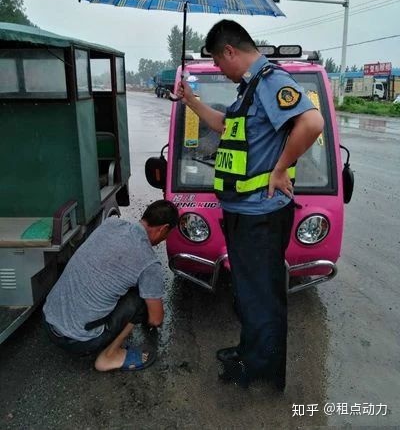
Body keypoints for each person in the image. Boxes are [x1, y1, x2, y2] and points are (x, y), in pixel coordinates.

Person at [177, 20, 324, 390]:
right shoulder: (250, 89)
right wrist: (192, 102)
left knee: (262, 297)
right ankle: (249, 352)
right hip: (242, 213)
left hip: (262, 213)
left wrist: (279, 168)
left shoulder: (272, 80)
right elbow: (226, 127)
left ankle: (263, 371)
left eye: (217, 62)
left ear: (230, 51)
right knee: (248, 293)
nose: (219, 71)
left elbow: (312, 121)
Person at [43, 200, 179, 372]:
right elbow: (156, 319)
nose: (164, 240)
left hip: (49, 319)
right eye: (167, 234)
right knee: (139, 301)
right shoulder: (149, 263)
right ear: (163, 228)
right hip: (78, 339)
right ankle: (109, 357)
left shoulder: (111, 224)